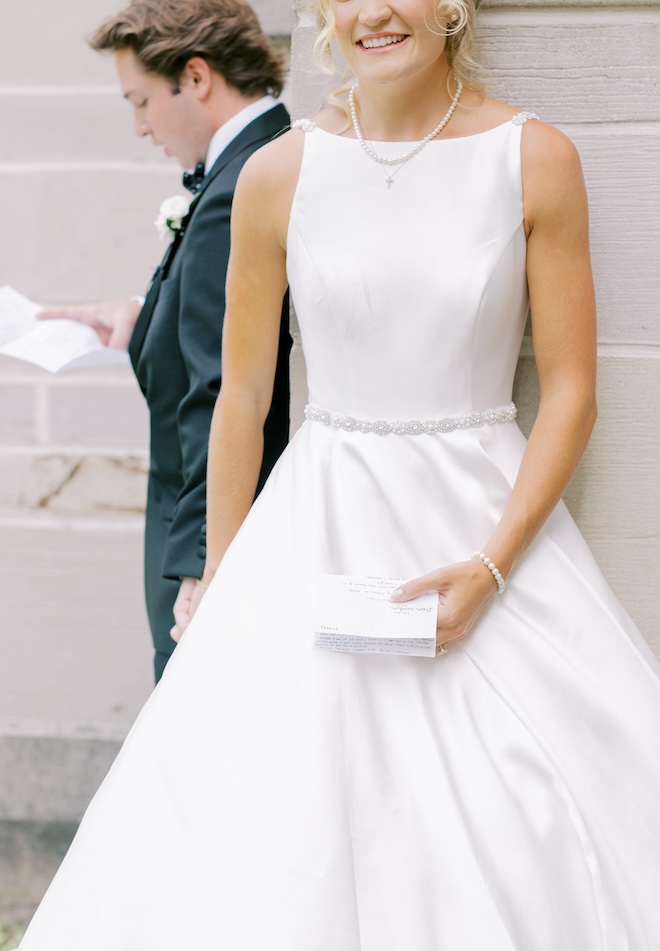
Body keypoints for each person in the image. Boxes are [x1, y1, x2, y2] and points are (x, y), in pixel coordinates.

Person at [20, 0, 660, 947]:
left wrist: (489, 569)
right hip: (316, 517)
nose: (374, 13)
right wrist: (227, 587)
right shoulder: (283, 172)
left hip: (481, 523)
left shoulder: (535, 159)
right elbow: (240, 401)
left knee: (525, 805)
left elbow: (570, 395)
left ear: (455, 5)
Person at [39, 0, 292, 681]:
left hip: (207, 540)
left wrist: (198, 566)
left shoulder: (243, 184)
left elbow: (224, 393)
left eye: (142, 100)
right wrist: (144, 318)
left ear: (198, 77)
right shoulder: (248, 163)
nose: (141, 125)